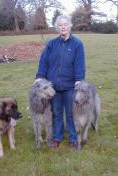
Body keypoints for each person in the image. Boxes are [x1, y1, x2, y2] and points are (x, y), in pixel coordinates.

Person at [36, 15, 86, 149]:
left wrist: (79, 80)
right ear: (57, 28)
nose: (63, 27)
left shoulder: (77, 44)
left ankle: (73, 138)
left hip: (70, 86)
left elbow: (79, 64)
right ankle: (57, 137)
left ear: (70, 26)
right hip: (53, 87)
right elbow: (44, 61)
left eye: (65, 24)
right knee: (56, 113)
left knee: (71, 114)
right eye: (60, 25)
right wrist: (40, 76)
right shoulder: (51, 44)